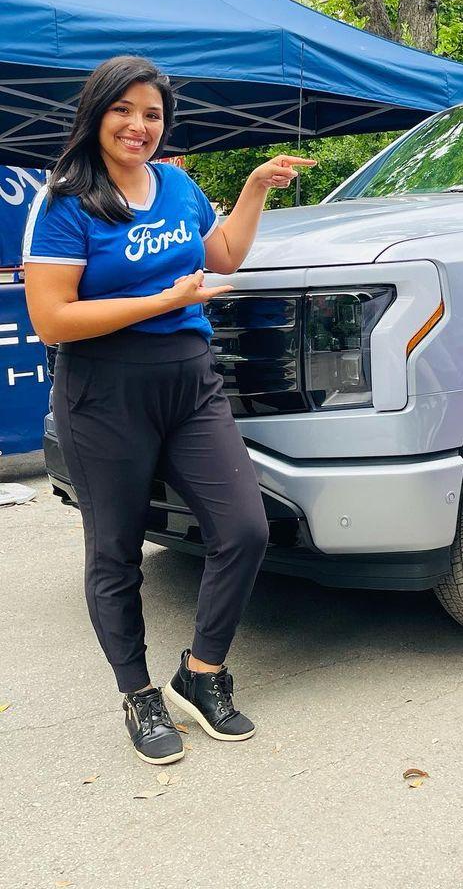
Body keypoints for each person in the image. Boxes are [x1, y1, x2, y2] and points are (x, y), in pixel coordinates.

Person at [21, 55, 315, 765]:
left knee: (244, 528)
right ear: (97, 114)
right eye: (124, 110)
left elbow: (223, 257)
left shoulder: (179, 185)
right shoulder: (65, 201)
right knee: (116, 552)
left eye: (152, 114)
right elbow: (53, 320)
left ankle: (202, 672)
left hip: (189, 381)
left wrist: (253, 189)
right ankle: (138, 691)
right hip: (105, 390)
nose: (139, 126)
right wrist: (161, 303)